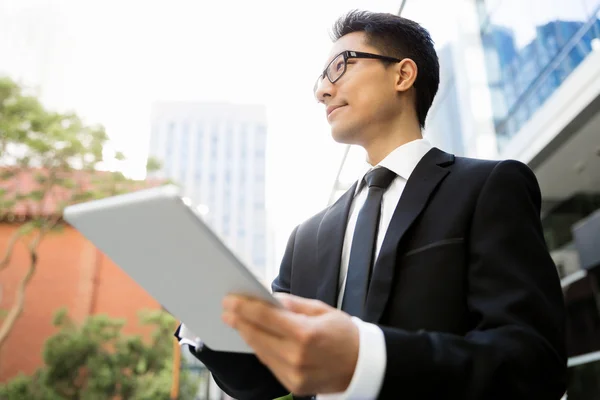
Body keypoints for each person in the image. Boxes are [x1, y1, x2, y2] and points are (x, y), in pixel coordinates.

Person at [176, 10, 567, 400]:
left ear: (402, 75)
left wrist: (367, 358)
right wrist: (200, 313)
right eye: (321, 79)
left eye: (340, 67)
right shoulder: (307, 238)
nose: (322, 91)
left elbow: (531, 364)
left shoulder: (488, 187)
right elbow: (260, 379)